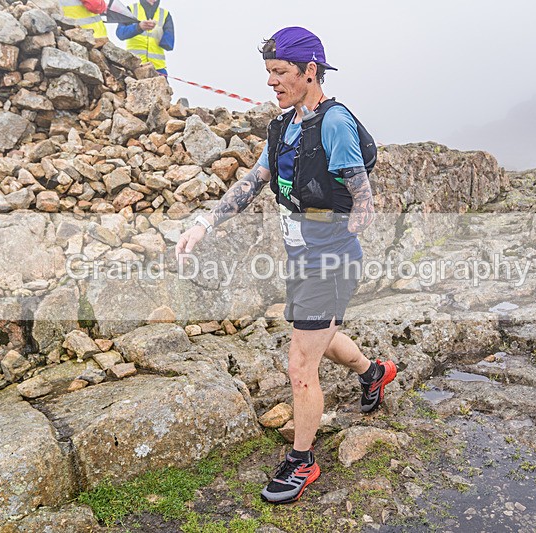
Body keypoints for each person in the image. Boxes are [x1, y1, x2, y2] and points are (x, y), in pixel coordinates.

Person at [175, 26, 397, 505]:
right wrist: (204, 224)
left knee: (299, 364)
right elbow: (255, 180)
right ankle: (372, 372)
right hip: (301, 255)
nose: (272, 83)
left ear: (309, 71)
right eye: (269, 74)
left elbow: (363, 198)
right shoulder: (284, 126)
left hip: (329, 257)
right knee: (320, 336)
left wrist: (342, 233)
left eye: (280, 73)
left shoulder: (334, 123)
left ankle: (302, 461)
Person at [115, 0, 174, 77]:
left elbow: (169, 44)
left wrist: (161, 35)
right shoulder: (131, 9)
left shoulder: (165, 14)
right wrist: (138, 27)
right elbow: (120, 33)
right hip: (134, 66)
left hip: (157, 69)